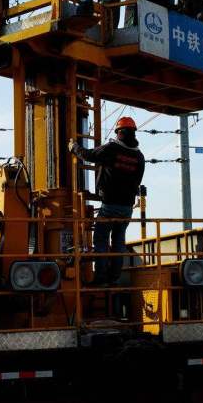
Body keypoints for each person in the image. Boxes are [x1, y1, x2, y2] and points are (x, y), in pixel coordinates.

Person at [69, 117, 146, 284]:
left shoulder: (112, 149)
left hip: (110, 204)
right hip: (127, 207)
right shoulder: (139, 157)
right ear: (133, 133)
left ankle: (101, 277)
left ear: (119, 132)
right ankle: (114, 277)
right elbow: (137, 180)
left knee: (101, 239)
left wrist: (74, 147)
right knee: (118, 241)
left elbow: (88, 155)